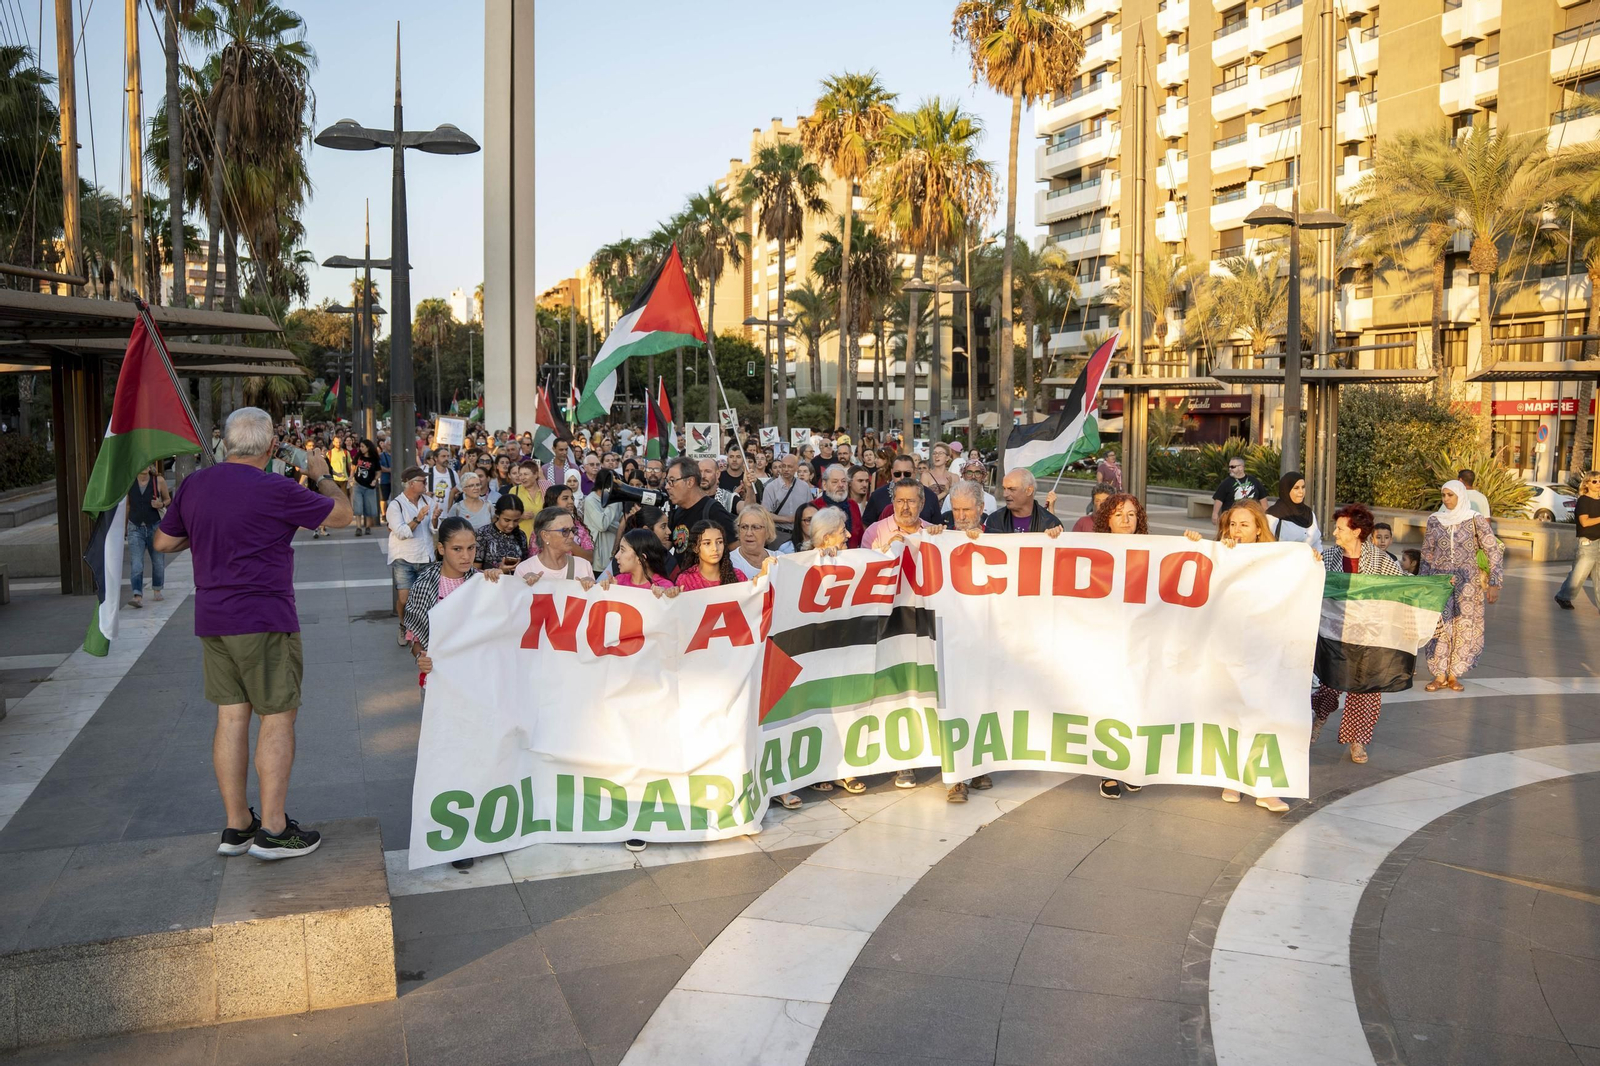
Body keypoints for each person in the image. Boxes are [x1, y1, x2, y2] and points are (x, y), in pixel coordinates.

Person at [152, 407, 351, 860]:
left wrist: (204, 532)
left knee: (230, 718)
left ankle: (238, 824)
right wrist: (321, 474)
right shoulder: (275, 487)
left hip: (214, 618)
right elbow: (341, 516)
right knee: (278, 717)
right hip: (263, 617)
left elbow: (163, 542)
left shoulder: (196, 485)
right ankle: (276, 830)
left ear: (225, 442)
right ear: (269, 446)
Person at [405, 516, 530, 869]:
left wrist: (500, 583)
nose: (465, 555)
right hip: (442, 684)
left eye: (472, 548)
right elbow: (414, 633)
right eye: (457, 549)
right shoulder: (425, 584)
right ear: (441, 548)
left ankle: (483, 826)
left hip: (481, 683)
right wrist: (422, 657)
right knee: (448, 753)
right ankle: (456, 839)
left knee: (480, 750)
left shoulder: (483, 581)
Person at [1185, 501, 1296, 812]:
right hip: (1228, 648)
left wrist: (1309, 561)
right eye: (1233, 524)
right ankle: (1231, 778)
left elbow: (1296, 584)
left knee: (1264, 713)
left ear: (1259, 529)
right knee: (1231, 710)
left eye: (1244, 525)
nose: (1237, 530)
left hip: (1265, 650)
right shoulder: (1221, 555)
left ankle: (1264, 787)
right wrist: (1199, 546)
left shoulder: (1278, 559)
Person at [1314, 504, 1404, 763]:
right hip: (1336, 633)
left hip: (1369, 636)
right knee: (1329, 684)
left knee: (1365, 688)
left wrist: (1435, 586)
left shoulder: (1380, 560)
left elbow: (1401, 586)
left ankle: (1358, 741)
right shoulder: (1329, 557)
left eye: (1341, 528)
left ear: (1356, 531)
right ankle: (1318, 719)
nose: (1336, 532)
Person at [942, 481, 998, 803]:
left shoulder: (998, 536)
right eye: (957, 509)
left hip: (986, 636)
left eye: (967, 509)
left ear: (980, 509)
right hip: (950, 637)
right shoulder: (939, 537)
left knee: (983, 702)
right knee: (953, 705)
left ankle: (980, 766)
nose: (961, 516)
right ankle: (956, 777)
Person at [1420, 480, 1504, 692]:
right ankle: (1438, 675)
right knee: (1439, 627)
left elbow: (1493, 550)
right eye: (1444, 495)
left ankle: (1454, 675)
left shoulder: (1474, 519)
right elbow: (1427, 554)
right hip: (1439, 583)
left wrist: (1494, 583)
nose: (1446, 499)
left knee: (1464, 627)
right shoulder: (1435, 520)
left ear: (1460, 495)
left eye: (1450, 495)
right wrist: (1422, 584)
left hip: (1468, 584)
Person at [1091, 493, 1148, 799]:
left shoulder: (1155, 551)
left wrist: (1192, 540)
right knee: (1107, 701)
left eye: (1131, 515)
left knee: (1135, 701)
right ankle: (1108, 770)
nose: (1126, 521)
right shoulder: (1093, 550)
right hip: (1105, 638)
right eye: (1119, 515)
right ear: (1107, 521)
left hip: (1139, 640)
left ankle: (1131, 764)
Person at [386, 467, 436, 646]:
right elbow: (401, 533)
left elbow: (433, 529)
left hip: (426, 555)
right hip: (403, 558)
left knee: (427, 598)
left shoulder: (429, 500)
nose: (425, 484)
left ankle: (423, 629)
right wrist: (418, 518)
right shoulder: (395, 505)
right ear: (411, 483)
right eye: (422, 481)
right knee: (404, 599)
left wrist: (435, 518)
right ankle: (403, 624)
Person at [665, 456, 736, 558]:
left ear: (690, 482)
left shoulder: (713, 511)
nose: (667, 486)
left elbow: (735, 550)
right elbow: (664, 547)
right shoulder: (678, 512)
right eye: (667, 481)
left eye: (672, 481)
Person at [126, 462, 170, 608]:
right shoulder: (129, 482)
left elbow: (168, 499)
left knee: (158, 561)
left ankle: (157, 589)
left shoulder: (158, 480)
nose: (144, 465)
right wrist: (125, 527)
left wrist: (161, 504)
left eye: (147, 462)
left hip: (155, 526)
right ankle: (137, 595)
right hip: (135, 526)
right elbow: (127, 505)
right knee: (136, 562)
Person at [515, 506, 597, 582]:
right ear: (545, 535)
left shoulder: (584, 566)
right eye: (565, 531)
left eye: (573, 530)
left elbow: (594, 597)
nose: (572, 536)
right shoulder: (525, 569)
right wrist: (524, 585)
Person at [863, 479, 946, 554]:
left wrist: (939, 539)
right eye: (900, 501)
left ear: (922, 503)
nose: (905, 507)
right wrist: (887, 554)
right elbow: (867, 567)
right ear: (893, 503)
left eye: (911, 501)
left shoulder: (933, 532)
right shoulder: (874, 532)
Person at [1556, 471, 1600, 610]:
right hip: (1588, 543)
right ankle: (1563, 596)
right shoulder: (1583, 500)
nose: (1598, 484)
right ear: (1586, 483)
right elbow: (1584, 522)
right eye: (1595, 481)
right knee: (1578, 577)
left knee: (1598, 577)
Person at [863, 453, 943, 527]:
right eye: (897, 474)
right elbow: (867, 526)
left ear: (915, 472)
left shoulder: (930, 496)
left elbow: (937, 527)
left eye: (907, 474)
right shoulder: (877, 496)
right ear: (891, 472)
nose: (902, 477)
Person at [982, 469, 1061, 534]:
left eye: (1012, 489)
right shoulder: (994, 520)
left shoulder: (1050, 523)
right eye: (1004, 488)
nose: (1005, 494)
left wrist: (1052, 538)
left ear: (1029, 490)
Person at [603, 528, 680, 593]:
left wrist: (665, 596)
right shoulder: (618, 581)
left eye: (623, 550)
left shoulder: (664, 587)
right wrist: (611, 591)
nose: (616, 556)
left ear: (641, 558)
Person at [1265, 471, 1322, 552]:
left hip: (1308, 563)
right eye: (1296, 488)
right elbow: (1267, 545)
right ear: (1286, 490)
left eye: (1303, 487)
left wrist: (1319, 558)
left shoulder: (1309, 513)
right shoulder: (1273, 515)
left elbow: (1317, 543)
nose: (1301, 492)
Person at [582, 468, 624, 574]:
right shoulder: (590, 500)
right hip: (599, 556)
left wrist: (617, 526)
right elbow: (602, 525)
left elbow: (622, 523)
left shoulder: (617, 499)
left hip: (615, 551)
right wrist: (612, 502)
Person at [675, 519, 738, 590]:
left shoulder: (738, 576)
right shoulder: (686, 580)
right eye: (707, 543)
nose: (715, 548)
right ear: (695, 548)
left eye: (719, 542)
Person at [814, 464, 865, 548]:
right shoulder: (815, 507)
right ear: (825, 485)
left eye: (844, 481)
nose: (841, 485)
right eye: (835, 482)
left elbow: (860, 537)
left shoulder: (853, 505)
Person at [761, 452, 809, 540]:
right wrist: (788, 519)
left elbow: (809, 510)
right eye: (783, 466)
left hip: (800, 534)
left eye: (790, 466)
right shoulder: (771, 488)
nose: (786, 469)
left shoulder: (804, 487)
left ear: (796, 468)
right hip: (778, 534)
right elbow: (765, 514)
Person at [477, 495, 530, 574]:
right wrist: (499, 571)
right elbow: (475, 569)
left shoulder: (521, 535)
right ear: (497, 514)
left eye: (516, 520)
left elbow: (525, 565)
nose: (511, 525)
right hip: (490, 584)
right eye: (507, 520)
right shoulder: (483, 534)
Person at [543, 484, 595, 564]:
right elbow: (536, 558)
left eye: (572, 498)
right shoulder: (543, 528)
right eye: (565, 498)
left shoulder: (578, 526)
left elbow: (589, 558)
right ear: (553, 501)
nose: (571, 501)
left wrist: (569, 541)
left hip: (576, 573)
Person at [1211, 456, 1267, 524]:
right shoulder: (1226, 483)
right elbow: (1219, 499)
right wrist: (1215, 513)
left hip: (1251, 518)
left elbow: (1263, 498)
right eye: (1229, 467)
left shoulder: (1254, 481)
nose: (1230, 469)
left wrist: (1266, 515)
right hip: (1232, 519)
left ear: (1241, 467)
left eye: (1232, 467)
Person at [731, 505, 777, 579]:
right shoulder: (729, 562)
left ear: (768, 531)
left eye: (755, 527)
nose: (749, 533)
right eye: (744, 527)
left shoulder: (778, 558)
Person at [350, 439, 382, 536]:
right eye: (360, 446)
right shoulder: (358, 456)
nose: (361, 448)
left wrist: (375, 480)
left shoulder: (374, 459)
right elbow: (353, 466)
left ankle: (368, 527)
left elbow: (378, 472)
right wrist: (351, 477)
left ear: (368, 447)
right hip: (358, 484)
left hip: (369, 486)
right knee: (358, 507)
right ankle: (358, 527)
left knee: (369, 507)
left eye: (363, 446)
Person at [922, 441, 956, 507]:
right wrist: (945, 492)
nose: (936, 456)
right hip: (932, 515)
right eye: (934, 453)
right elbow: (925, 501)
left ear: (947, 458)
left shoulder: (954, 477)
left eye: (940, 453)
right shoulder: (926, 476)